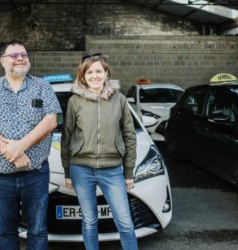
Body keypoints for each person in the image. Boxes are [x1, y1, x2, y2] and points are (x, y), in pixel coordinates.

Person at [0, 40, 62, 250]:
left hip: (36, 175)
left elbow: (51, 121)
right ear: (2, 61)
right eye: (14, 55)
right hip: (2, 178)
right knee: (5, 232)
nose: (20, 58)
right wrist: (11, 152)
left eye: (23, 54)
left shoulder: (42, 86)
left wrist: (20, 146)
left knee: (38, 230)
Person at [61, 53, 138, 250]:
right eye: (89, 72)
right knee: (89, 221)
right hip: (81, 169)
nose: (94, 76)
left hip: (112, 170)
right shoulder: (74, 101)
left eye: (98, 71)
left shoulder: (119, 99)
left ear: (106, 73)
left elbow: (129, 135)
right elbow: (67, 136)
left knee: (125, 223)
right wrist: (67, 171)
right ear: (83, 76)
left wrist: (128, 172)